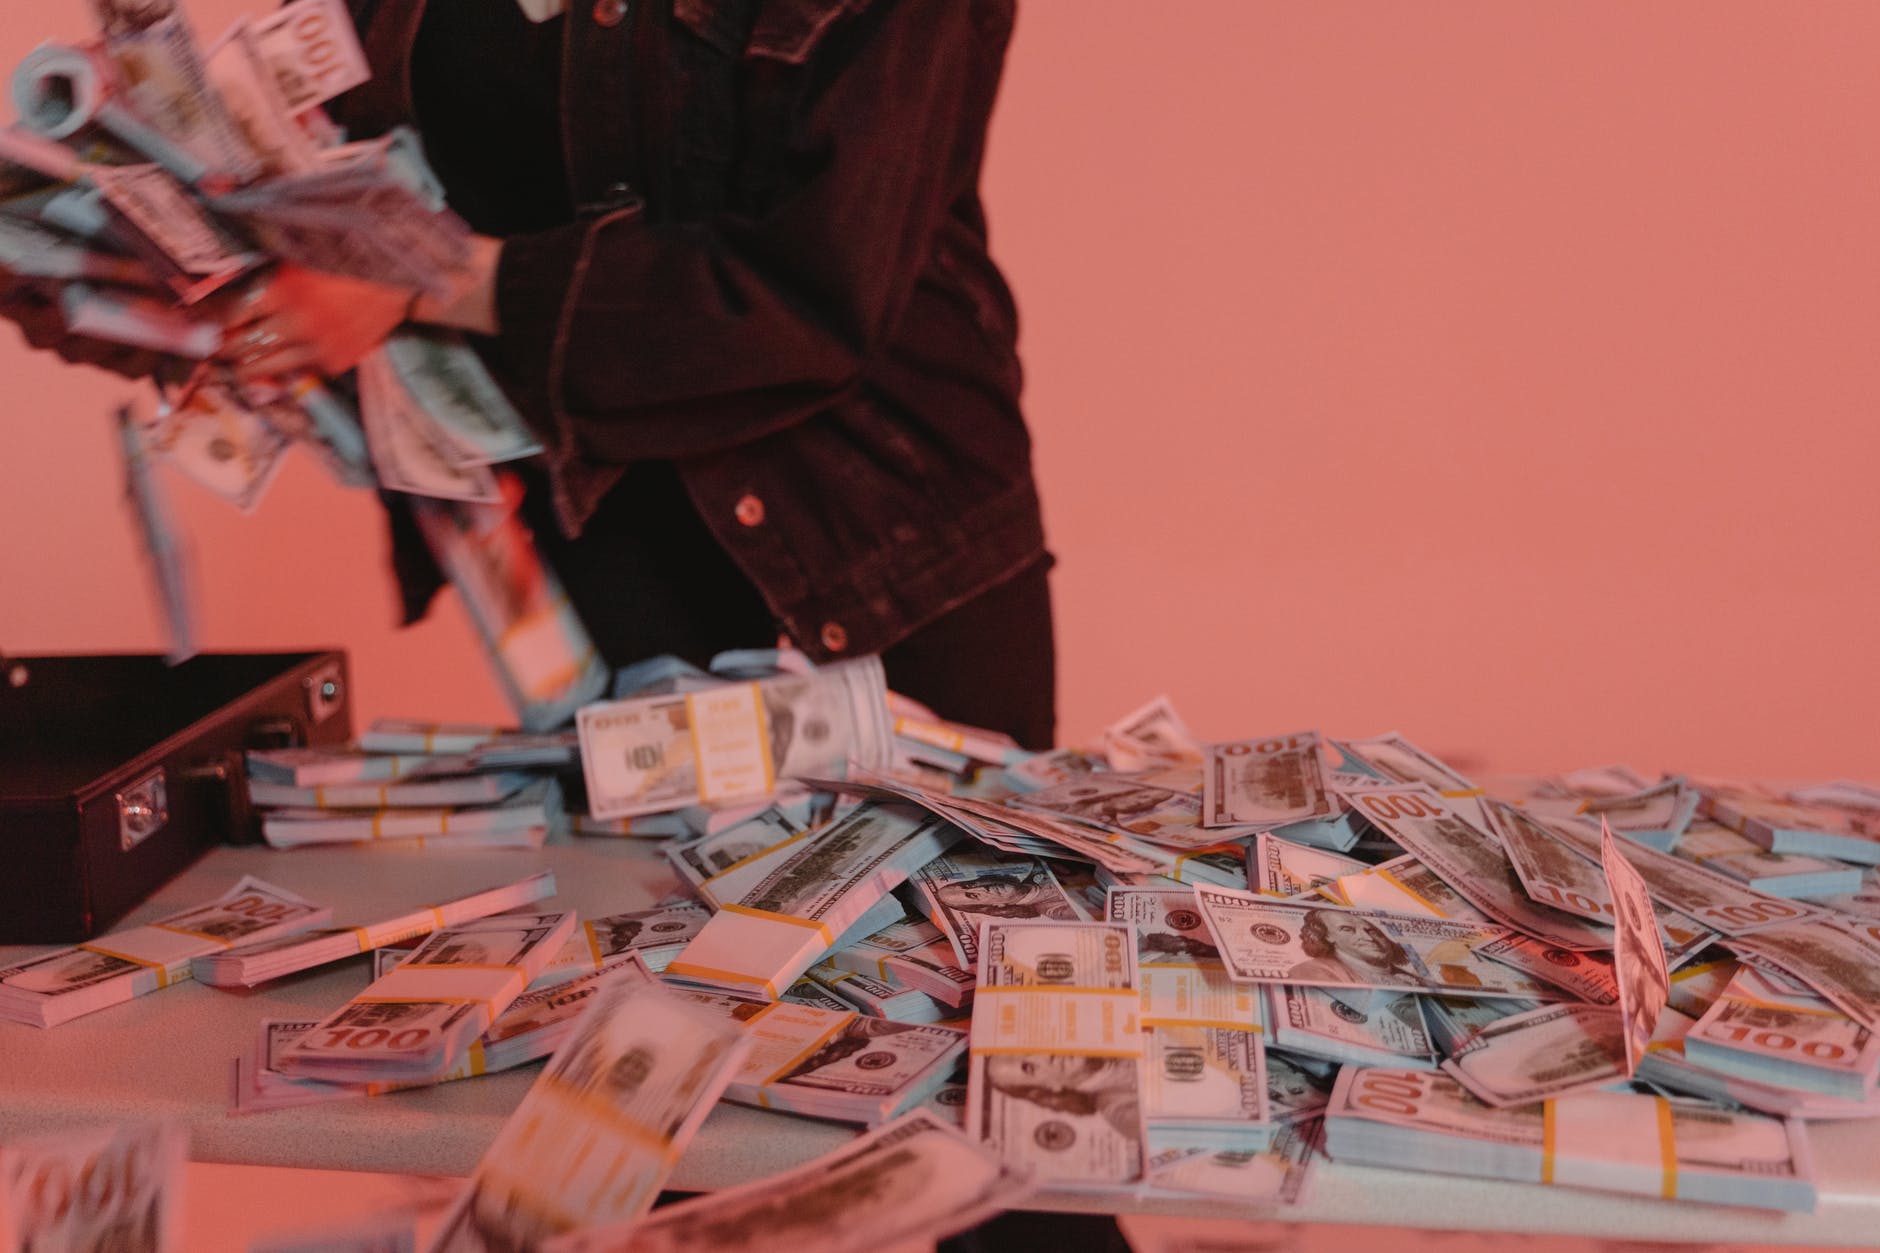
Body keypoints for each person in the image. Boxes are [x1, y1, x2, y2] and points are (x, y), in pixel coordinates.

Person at [6, 0, 1057, 748]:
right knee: (665, 978)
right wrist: (130, 260)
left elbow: (809, 294)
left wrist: (419, 277)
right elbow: (320, 190)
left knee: (933, 981)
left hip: (874, 540)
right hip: (590, 536)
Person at [1286, 907, 1421, 987]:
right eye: (1347, 929)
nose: (1368, 938)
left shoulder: (1420, 982)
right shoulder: (1312, 971)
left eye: (1372, 931)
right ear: (1327, 936)